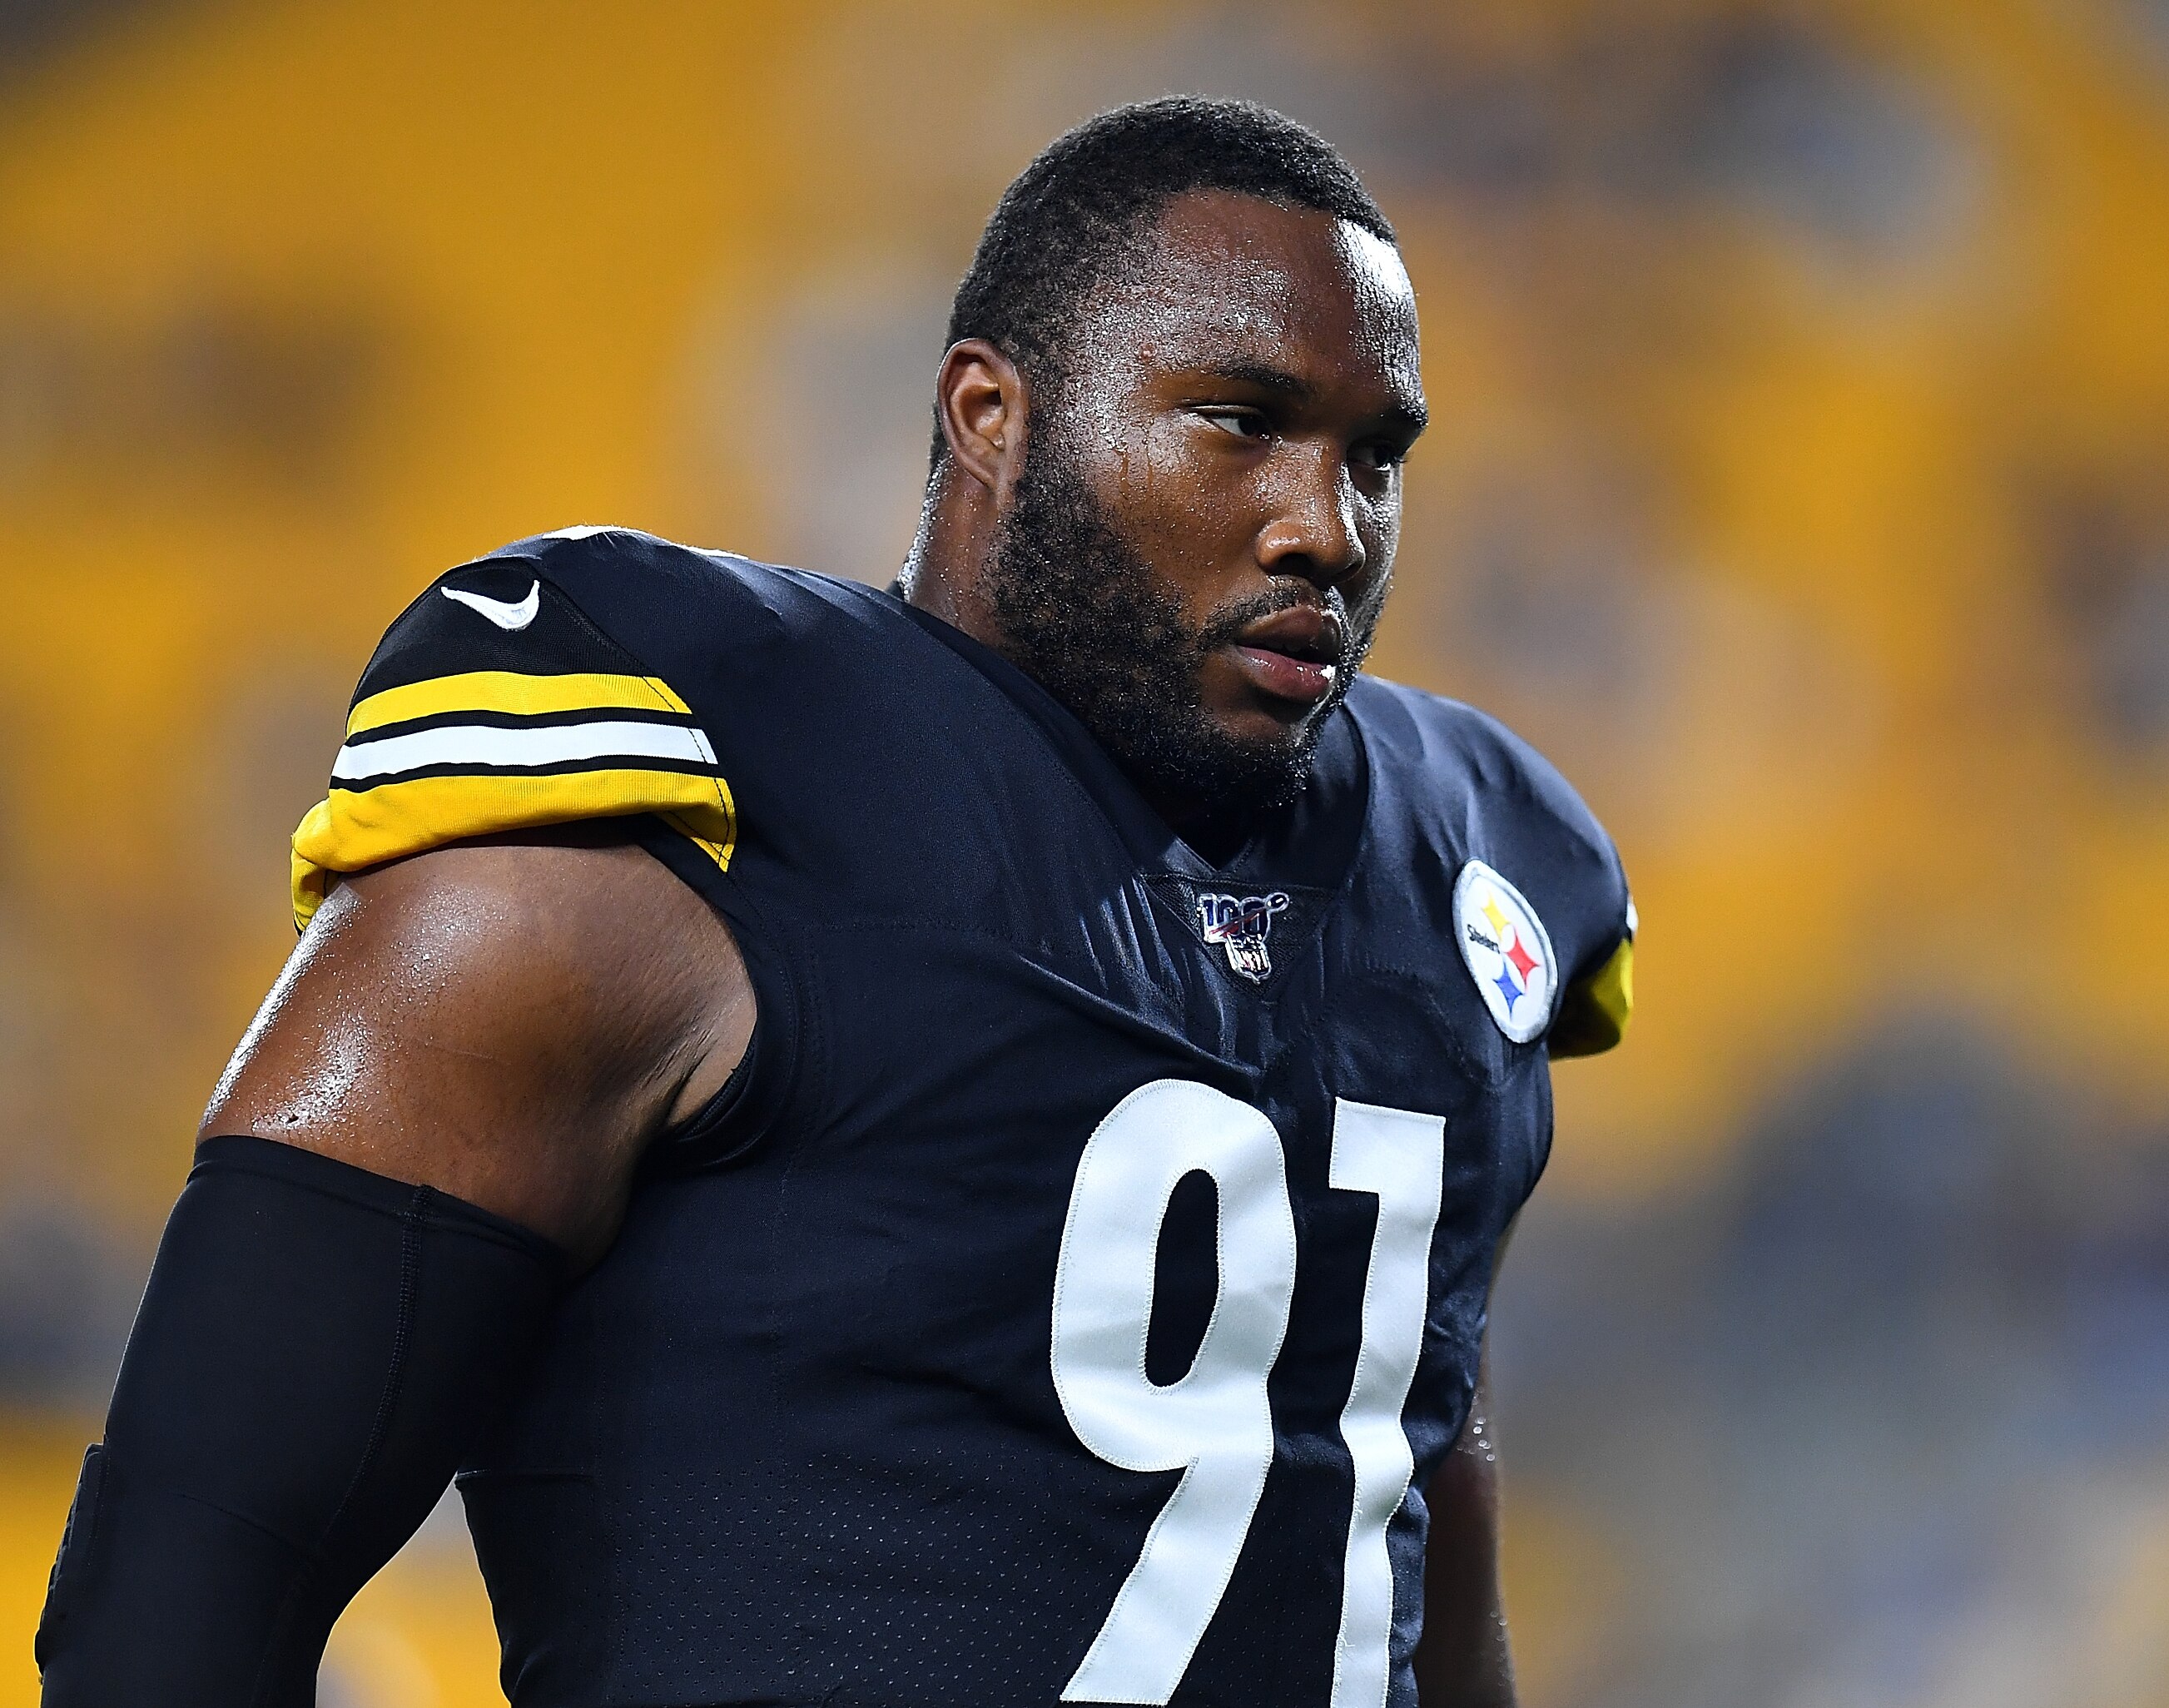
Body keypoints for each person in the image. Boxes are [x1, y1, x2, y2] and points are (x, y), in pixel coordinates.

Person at [35, 97, 1632, 1708]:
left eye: (1378, 456)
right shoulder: (681, 825)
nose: (1327, 529)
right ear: (990, 415)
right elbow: (182, 1593)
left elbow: (1413, 1548)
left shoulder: (1451, 884)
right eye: (1239, 420)